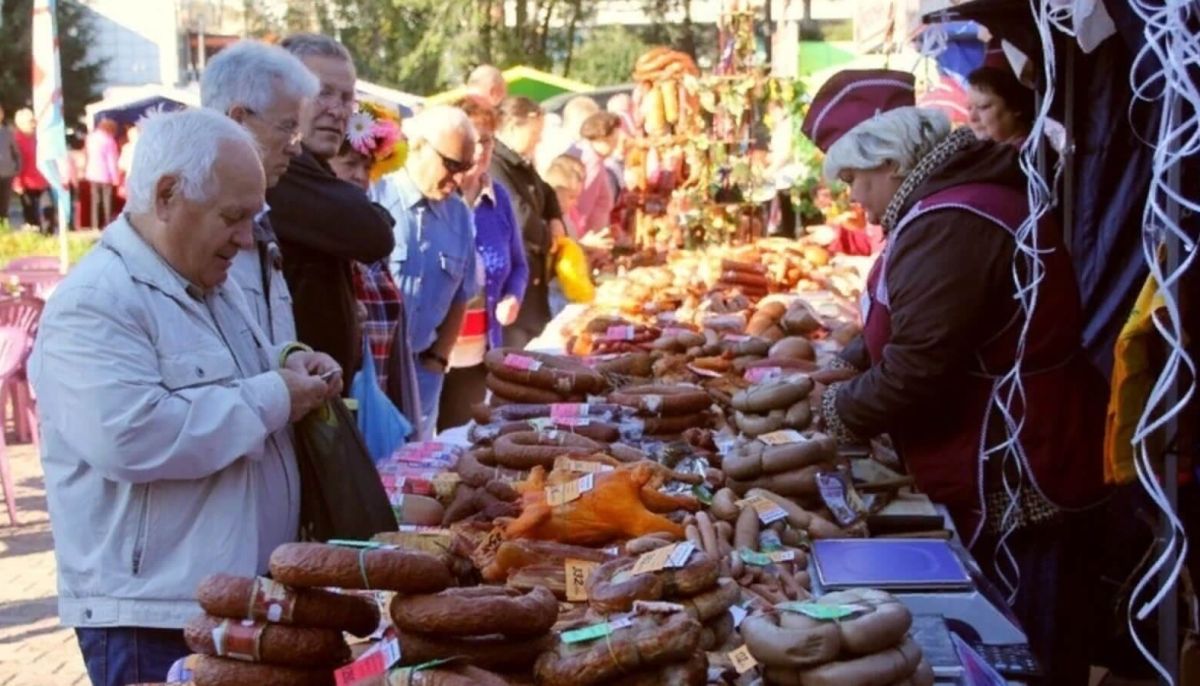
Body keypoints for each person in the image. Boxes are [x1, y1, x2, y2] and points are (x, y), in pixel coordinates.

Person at [802, 70, 1106, 685]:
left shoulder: (951, 219)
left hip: (1020, 461)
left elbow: (920, 365)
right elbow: (926, 318)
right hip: (1012, 448)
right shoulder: (946, 205)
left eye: (854, 178)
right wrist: (857, 359)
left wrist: (834, 414)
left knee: (1025, 647)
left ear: (887, 160)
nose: (854, 197)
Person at [29, 108, 342, 686]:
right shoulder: (94, 302)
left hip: (229, 600)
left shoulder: (206, 279)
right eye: (233, 217)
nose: (246, 238)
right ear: (168, 194)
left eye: (253, 217)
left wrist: (289, 362)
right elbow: (132, 437)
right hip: (152, 618)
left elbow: (236, 376)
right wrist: (278, 394)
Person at [269, 33, 395, 379]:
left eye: (346, 97)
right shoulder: (281, 169)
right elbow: (373, 233)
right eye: (322, 92)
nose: (338, 111)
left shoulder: (312, 168)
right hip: (290, 390)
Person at [201, 39, 319, 346]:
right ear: (238, 119)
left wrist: (292, 363)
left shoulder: (258, 213)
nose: (296, 148)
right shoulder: (193, 223)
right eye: (287, 128)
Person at [375, 105, 477, 436]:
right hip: (372, 377)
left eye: (466, 167)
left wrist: (438, 359)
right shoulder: (376, 193)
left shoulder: (459, 216)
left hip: (423, 375)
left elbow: (462, 294)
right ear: (417, 145)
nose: (459, 178)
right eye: (451, 164)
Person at [327, 100, 422, 431]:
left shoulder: (372, 233)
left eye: (366, 167)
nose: (359, 175)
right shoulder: (318, 235)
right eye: (349, 163)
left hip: (376, 393)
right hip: (341, 407)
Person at [438, 96, 528, 431]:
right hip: (432, 354)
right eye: (471, 141)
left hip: (479, 352)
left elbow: (519, 265)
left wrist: (513, 297)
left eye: (486, 140)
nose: (479, 151)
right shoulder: (439, 197)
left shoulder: (499, 197)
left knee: (461, 436)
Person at [491, 96, 564, 348]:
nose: (539, 139)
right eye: (535, 132)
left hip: (532, 280)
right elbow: (519, 215)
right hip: (515, 282)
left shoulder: (520, 162)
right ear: (513, 128)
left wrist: (555, 218)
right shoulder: (496, 164)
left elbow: (548, 192)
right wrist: (549, 238)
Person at [543, 154, 586, 317]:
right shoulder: (547, 221)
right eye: (571, 197)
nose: (574, 203)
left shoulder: (567, 218)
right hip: (554, 297)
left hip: (568, 293)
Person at [573, 111, 620, 240]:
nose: (615, 147)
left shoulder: (582, 150)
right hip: (590, 240)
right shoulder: (593, 163)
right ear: (602, 138)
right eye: (613, 141)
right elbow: (582, 208)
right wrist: (582, 242)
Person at [966, 66, 1034, 145]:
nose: (972, 118)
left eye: (983, 107)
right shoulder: (965, 143)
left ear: (1015, 106)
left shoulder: (1036, 152)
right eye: (969, 108)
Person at [12, 108, 51, 231]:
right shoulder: (16, 140)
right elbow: (15, 162)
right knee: (31, 213)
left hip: (43, 179)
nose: (34, 124)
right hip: (26, 182)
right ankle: (35, 234)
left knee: (48, 208)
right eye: (30, 121)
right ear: (21, 123)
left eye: (34, 120)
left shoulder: (39, 138)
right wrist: (17, 183)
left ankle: (48, 234)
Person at [84, 118, 120, 229]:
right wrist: (115, 177)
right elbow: (111, 160)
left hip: (92, 173)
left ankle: (95, 224)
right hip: (105, 174)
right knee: (107, 200)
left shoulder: (90, 138)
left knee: (95, 200)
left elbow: (87, 154)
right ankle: (107, 223)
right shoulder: (109, 141)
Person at [0, 106, 20, 223]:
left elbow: (16, 153)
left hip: (7, 174)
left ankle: (3, 231)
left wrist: (16, 169)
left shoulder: (7, 132)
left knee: (4, 205)